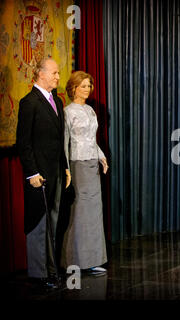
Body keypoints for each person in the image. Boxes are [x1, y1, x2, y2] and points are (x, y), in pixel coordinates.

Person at [16, 58, 71, 288]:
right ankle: (39, 275)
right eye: (55, 73)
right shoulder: (29, 102)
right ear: (41, 74)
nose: (59, 77)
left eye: (58, 73)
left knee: (54, 222)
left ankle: (51, 270)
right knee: (39, 224)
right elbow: (23, 142)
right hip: (39, 175)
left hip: (57, 171)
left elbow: (60, 140)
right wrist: (31, 173)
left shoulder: (57, 101)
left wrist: (66, 166)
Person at [61, 71, 108, 275]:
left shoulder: (90, 111)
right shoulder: (67, 112)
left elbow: (92, 138)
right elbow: (65, 143)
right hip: (77, 164)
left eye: (89, 86)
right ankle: (74, 260)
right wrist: (66, 169)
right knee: (79, 213)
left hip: (92, 164)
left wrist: (101, 156)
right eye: (83, 86)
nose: (87, 89)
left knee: (94, 212)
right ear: (74, 88)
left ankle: (93, 259)